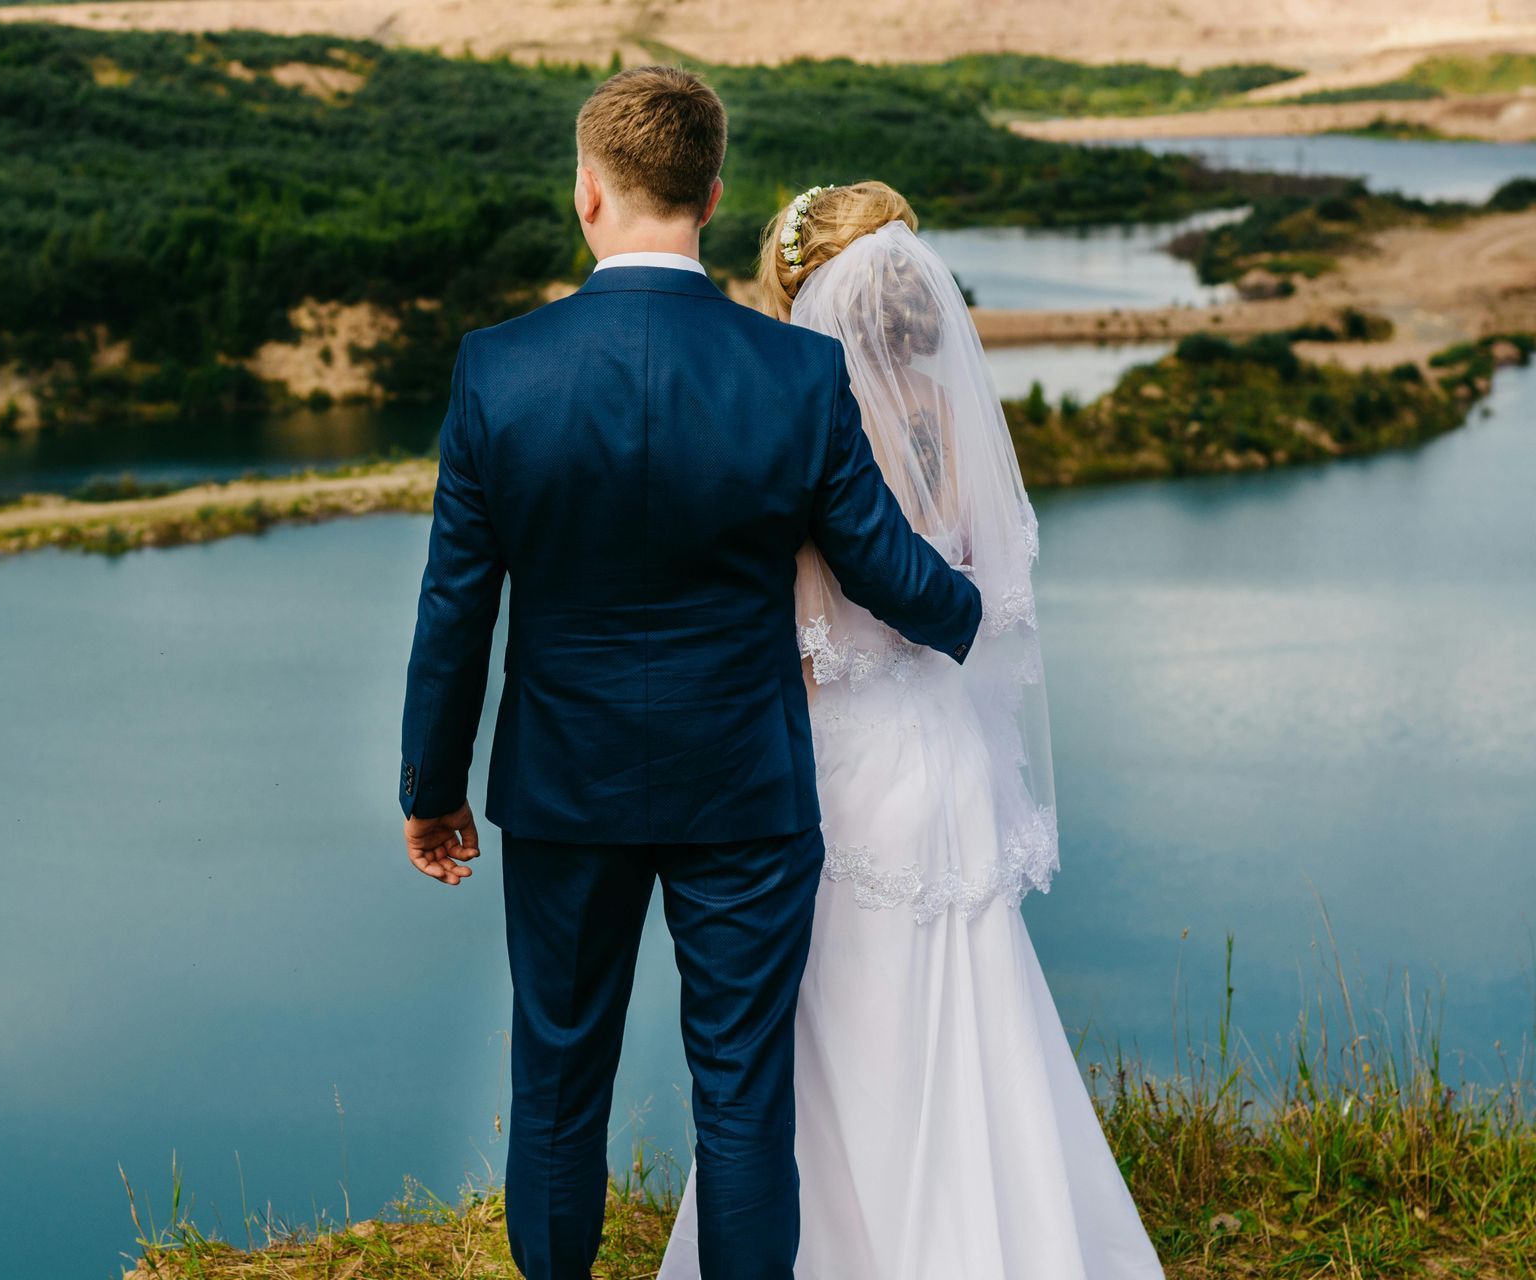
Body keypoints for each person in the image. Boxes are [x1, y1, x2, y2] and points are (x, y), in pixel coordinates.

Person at [396, 73, 980, 1280]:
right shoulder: (791, 375)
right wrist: (990, 613)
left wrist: (431, 784)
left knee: (558, 1084)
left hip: (563, 788)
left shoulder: (498, 371)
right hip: (747, 793)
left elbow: (458, 603)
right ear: (711, 196)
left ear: (588, 192)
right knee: (743, 1099)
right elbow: (880, 563)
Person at [656, 182, 1165, 1279]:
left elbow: (788, 632)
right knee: (980, 1014)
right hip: (950, 752)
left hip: (845, 766)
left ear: (805, 293)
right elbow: (992, 599)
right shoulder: (951, 418)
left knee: (841, 1028)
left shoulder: (798, 428)